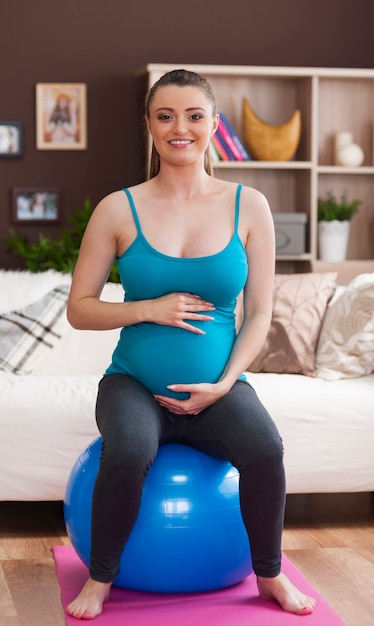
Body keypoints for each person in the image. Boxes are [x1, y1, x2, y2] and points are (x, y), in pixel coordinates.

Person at [66, 68, 316, 620]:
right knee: (129, 451)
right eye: (165, 115)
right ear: (149, 126)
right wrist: (148, 309)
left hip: (218, 388)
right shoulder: (117, 208)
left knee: (266, 449)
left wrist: (223, 385)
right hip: (132, 382)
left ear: (213, 125)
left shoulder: (250, 207)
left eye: (194, 115)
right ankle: (100, 578)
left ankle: (269, 574)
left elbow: (259, 313)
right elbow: (78, 309)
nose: (181, 128)